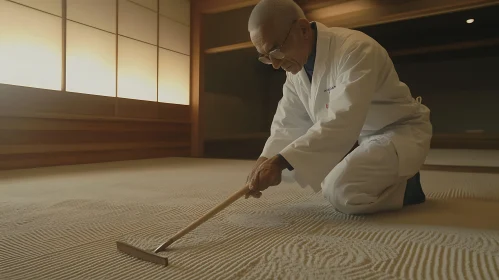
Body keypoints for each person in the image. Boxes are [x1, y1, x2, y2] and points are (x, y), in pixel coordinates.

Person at [244, 0, 433, 215]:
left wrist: (280, 161)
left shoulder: (355, 49)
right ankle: (382, 172)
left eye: (276, 51)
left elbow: (343, 118)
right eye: (267, 58)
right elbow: (289, 122)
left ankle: (409, 186)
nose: (275, 64)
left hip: (399, 131)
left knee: (340, 191)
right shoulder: (295, 71)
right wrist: (266, 158)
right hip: (362, 139)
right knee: (327, 178)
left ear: (303, 29)